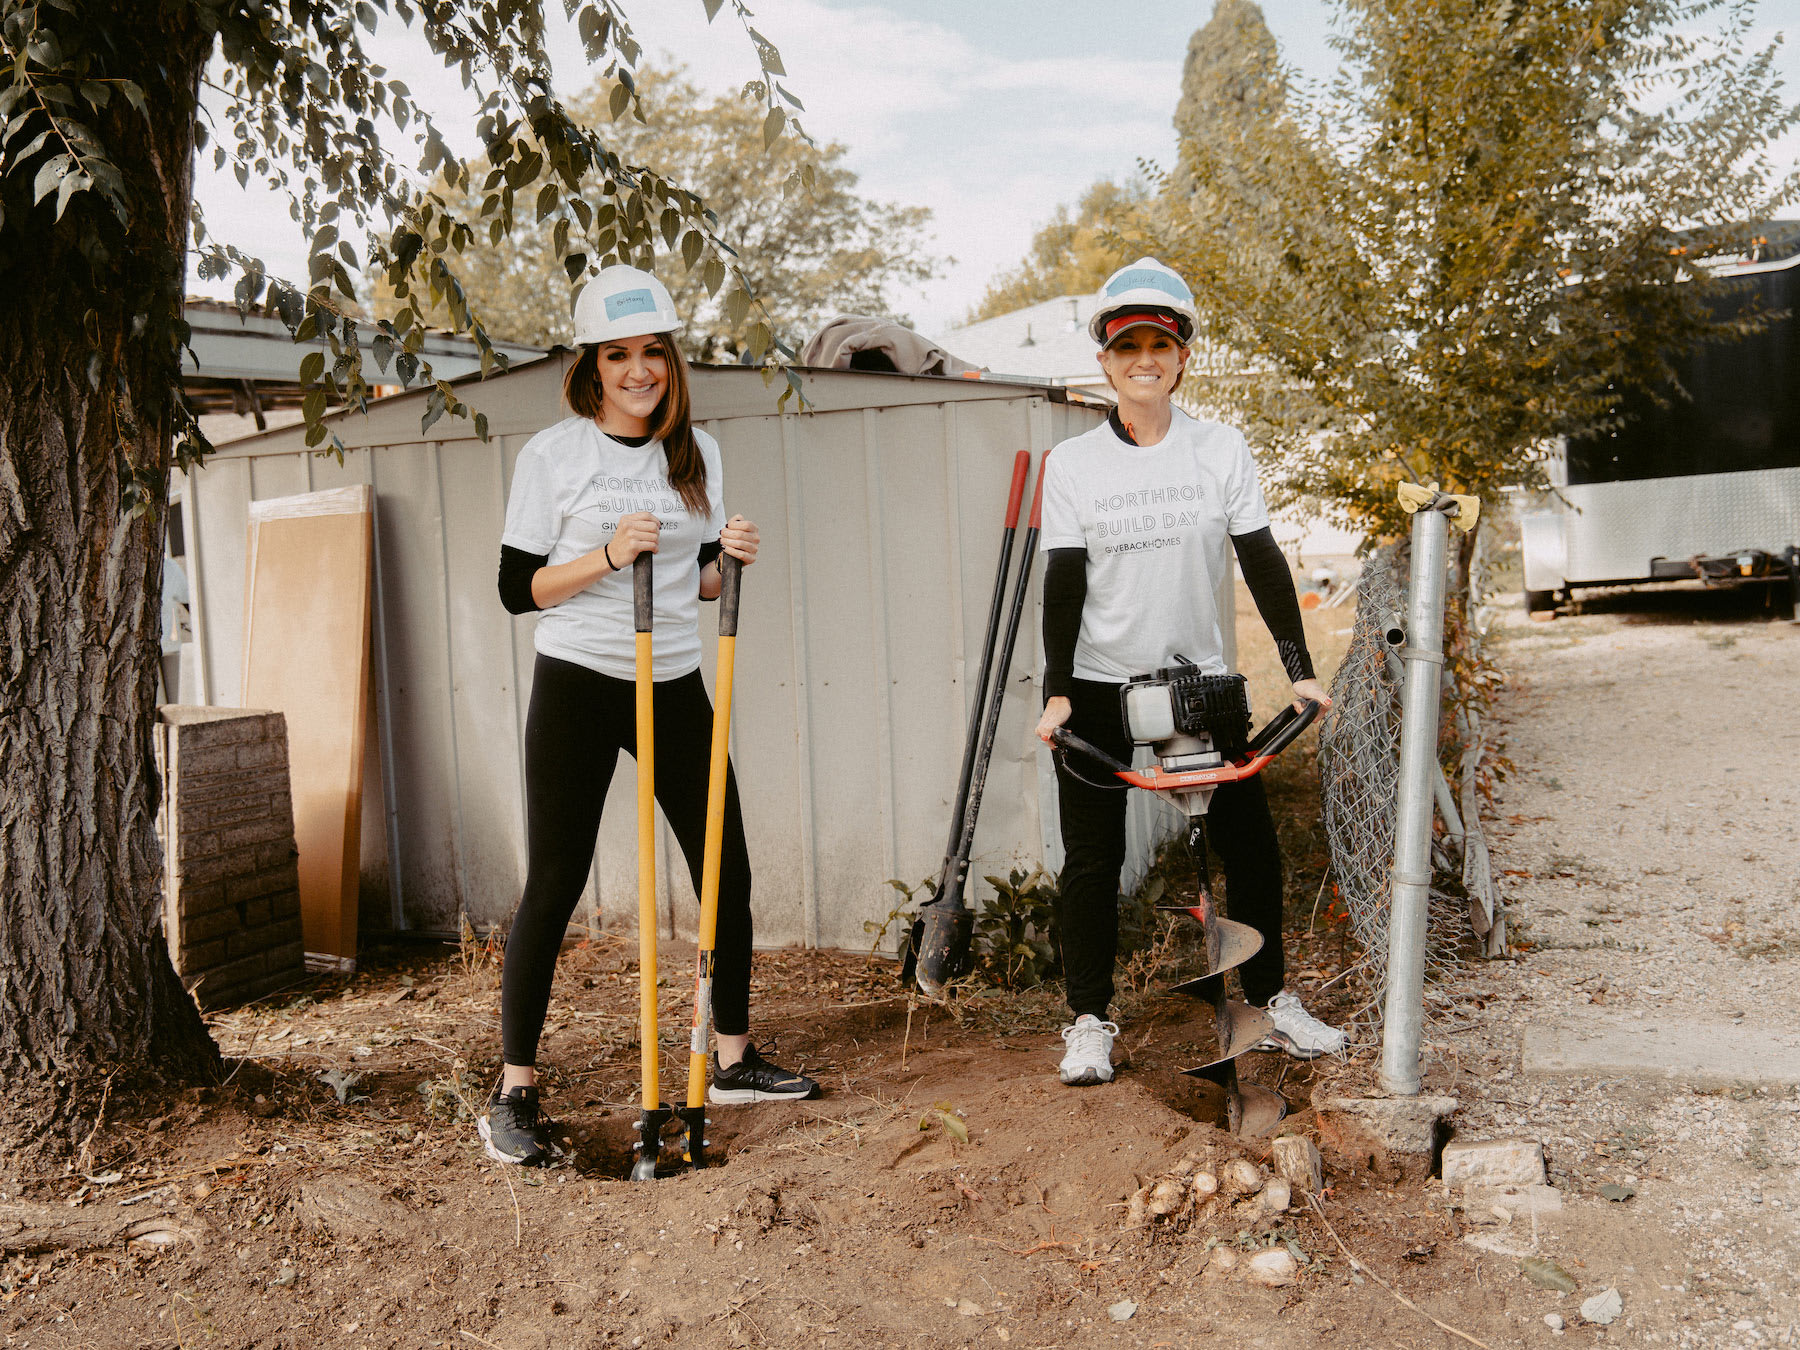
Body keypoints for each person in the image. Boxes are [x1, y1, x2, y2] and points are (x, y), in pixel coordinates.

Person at [484, 265, 819, 1167]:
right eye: (620, 354)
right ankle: (514, 1091)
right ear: (591, 365)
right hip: (581, 677)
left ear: (671, 361)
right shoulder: (552, 456)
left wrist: (731, 562)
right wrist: (603, 551)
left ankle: (735, 1056)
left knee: (726, 868)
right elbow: (520, 589)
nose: (640, 371)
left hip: (671, 677)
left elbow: (697, 580)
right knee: (554, 879)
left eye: (654, 354)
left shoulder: (697, 452)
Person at [1034, 257, 1350, 1087]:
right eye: (1128, 344)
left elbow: (1262, 560)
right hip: (1103, 684)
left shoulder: (1220, 449)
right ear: (1105, 359)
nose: (1145, 358)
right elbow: (1063, 582)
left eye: (1161, 344)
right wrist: (1055, 690)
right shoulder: (1071, 467)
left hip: (1200, 682)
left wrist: (1300, 669)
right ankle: (1089, 1022)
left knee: (1251, 848)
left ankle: (1273, 1000)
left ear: (1182, 357)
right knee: (1092, 862)